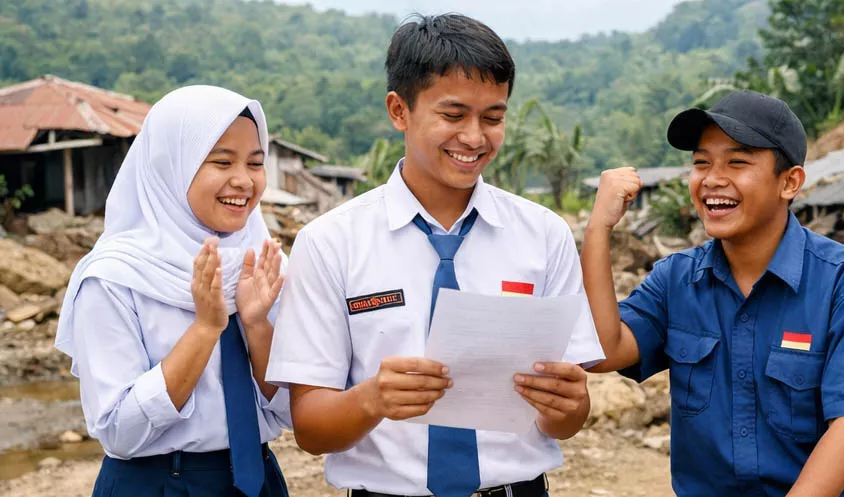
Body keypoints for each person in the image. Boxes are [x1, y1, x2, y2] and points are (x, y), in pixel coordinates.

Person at [266, 13, 603, 497]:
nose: (474, 137)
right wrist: (371, 399)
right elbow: (311, 430)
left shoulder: (544, 235)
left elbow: (567, 420)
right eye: (453, 115)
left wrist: (568, 407)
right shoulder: (331, 243)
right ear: (399, 110)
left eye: (493, 118)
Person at [581, 90, 844, 496]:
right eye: (701, 163)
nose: (712, 179)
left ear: (789, 182)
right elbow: (603, 350)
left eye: (737, 162)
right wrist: (599, 228)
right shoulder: (677, 280)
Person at [54, 85, 291, 497]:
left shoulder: (264, 263)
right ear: (171, 165)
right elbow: (118, 431)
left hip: (259, 479)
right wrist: (205, 329)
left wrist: (256, 326)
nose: (243, 180)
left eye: (256, 163)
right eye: (222, 161)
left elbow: (293, 411)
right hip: (156, 483)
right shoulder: (115, 276)